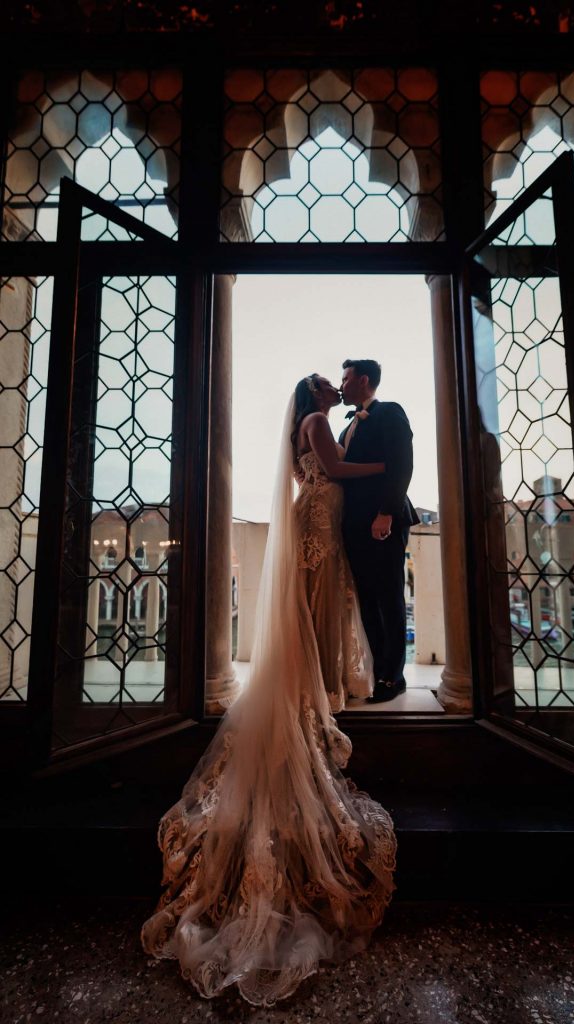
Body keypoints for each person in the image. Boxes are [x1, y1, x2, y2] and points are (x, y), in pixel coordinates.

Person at [141, 373, 397, 1007]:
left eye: (339, 384)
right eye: (327, 386)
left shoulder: (311, 425)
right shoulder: (317, 427)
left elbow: (322, 468)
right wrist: (383, 467)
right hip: (317, 520)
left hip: (317, 516)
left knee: (320, 606)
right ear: (315, 397)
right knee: (316, 604)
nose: (336, 391)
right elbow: (335, 465)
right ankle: (322, 681)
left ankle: (328, 678)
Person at [339, 359, 419, 703]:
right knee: (368, 601)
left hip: (382, 521)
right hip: (354, 525)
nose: (341, 385)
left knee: (389, 598)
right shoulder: (346, 427)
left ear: (363, 380)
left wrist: (386, 512)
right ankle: (379, 672)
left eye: (345, 379)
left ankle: (393, 677)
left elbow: (402, 463)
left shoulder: (390, 412)